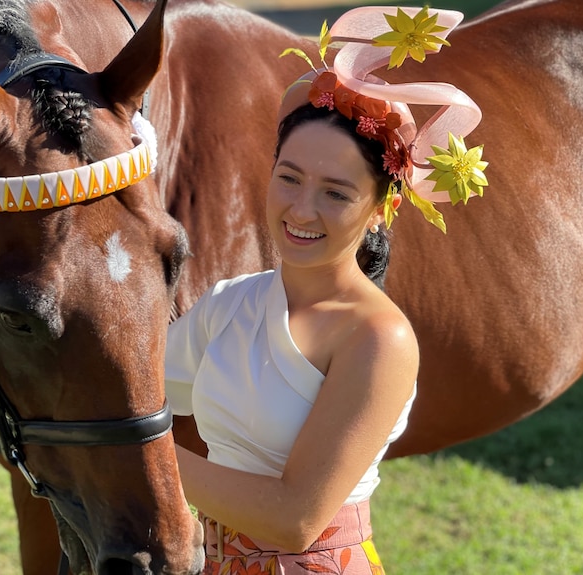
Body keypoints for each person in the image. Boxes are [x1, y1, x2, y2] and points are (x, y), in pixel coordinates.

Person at [166, 6, 488, 573]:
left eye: (336, 193)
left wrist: (138, 454)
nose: (301, 209)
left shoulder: (378, 338)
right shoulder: (230, 303)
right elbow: (136, 391)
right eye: (288, 177)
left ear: (378, 212)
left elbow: (296, 518)